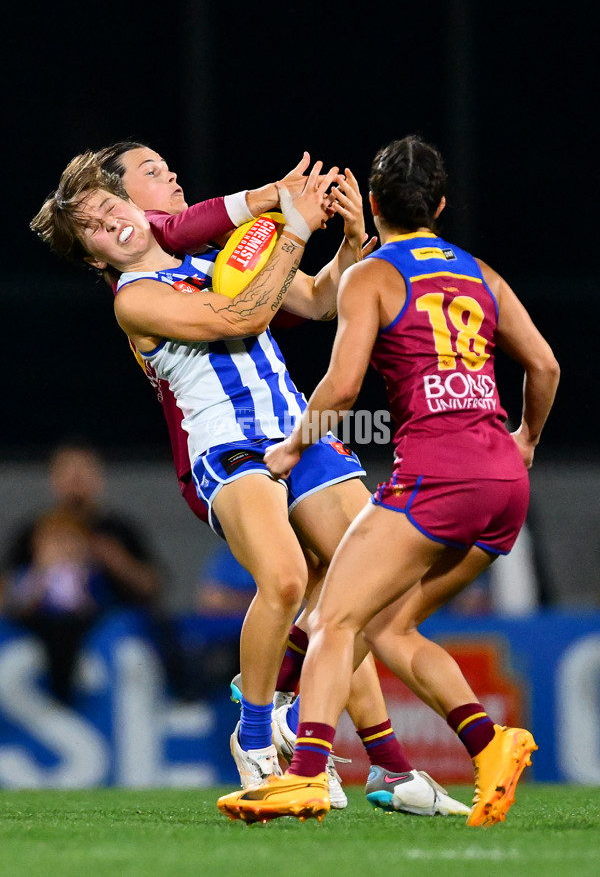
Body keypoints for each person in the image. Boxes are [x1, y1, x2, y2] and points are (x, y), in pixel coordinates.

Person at [95, 141, 471, 816]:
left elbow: (324, 300)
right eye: (151, 171)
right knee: (291, 578)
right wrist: (291, 225)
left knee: (366, 581)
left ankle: (378, 762)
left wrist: (352, 239)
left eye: (167, 163)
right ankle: (268, 730)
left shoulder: (221, 255)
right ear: (119, 211)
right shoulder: (139, 293)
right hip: (229, 448)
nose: (172, 172)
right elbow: (243, 315)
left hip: (297, 433)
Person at [217, 135, 560, 827]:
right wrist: (526, 438)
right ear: (438, 204)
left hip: (437, 479)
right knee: (390, 627)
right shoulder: (481, 273)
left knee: (331, 620)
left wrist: (288, 450)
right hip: (503, 484)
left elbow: (341, 390)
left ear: (373, 204)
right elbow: (546, 367)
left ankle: (307, 774)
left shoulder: (370, 275)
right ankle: (490, 745)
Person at [0, 441, 161, 702]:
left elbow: (153, 587)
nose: (76, 481)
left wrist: (114, 559)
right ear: (53, 479)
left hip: (105, 624)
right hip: (39, 629)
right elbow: (7, 595)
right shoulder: (32, 531)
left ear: (98, 479)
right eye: (68, 472)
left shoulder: (117, 529)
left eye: (83, 472)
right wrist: (42, 569)